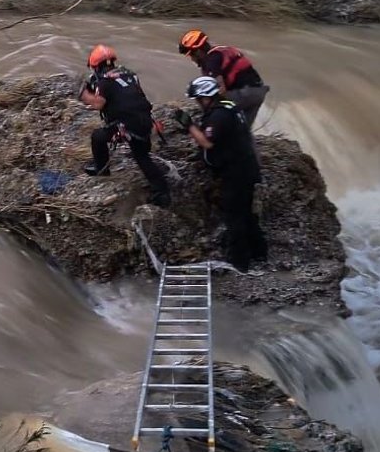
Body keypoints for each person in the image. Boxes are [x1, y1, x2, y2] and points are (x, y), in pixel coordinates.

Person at [172, 76, 267, 273]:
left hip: (236, 172)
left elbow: (207, 142)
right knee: (246, 212)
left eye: (199, 99)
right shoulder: (229, 106)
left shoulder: (219, 116)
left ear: (207, 97)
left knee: (234, 216)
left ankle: (240, 262)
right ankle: (260, 251)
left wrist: (188, 125)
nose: (198, 103)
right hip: (246, 167)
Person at [78, 44, 171, 208]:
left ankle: (102, 170)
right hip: (145, 120)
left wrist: (85, 95)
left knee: (98, 137)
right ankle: (161, 191)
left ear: (95, 66)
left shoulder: (104, 82)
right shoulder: (130, 75)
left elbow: (99, 104)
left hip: (127, 124)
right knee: (142, 156)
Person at [178, 29, 269, 130]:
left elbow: (220, 90)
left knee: (210, 103)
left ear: (198, 51)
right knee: (242, 132)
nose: (192, 59)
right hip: (258, 92)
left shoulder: (210, 61)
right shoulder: (221, 50)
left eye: (191, 55)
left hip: (244, 94)